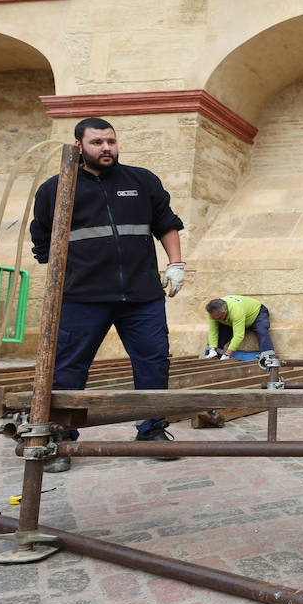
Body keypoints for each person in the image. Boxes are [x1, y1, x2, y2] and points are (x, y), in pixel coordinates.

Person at [29, 117, 186, 473]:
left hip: (141, 295)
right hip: (81, 298)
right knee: (69, 367)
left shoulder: (141, 180)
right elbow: (43, 243)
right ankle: (60, 439)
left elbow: (167, 223)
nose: (106, 149)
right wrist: (67, 277)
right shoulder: (55, 189)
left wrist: (176, 263)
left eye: (111, 142)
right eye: (97, 142)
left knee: (153, 361)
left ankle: (152, 431)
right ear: (79, 145)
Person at [204, 295, 278, 368]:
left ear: (225, 311)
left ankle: (269, 360)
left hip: (257, 313)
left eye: (219, 318)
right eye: (214, 318)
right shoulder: (213, 313)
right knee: (220, 334)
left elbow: (238, 335)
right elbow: (213, 331)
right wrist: (212, 349)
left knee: (262, 330)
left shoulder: (236, 311)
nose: (216, 320)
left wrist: (227, 354)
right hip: (235, 318)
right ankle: (212, 358)